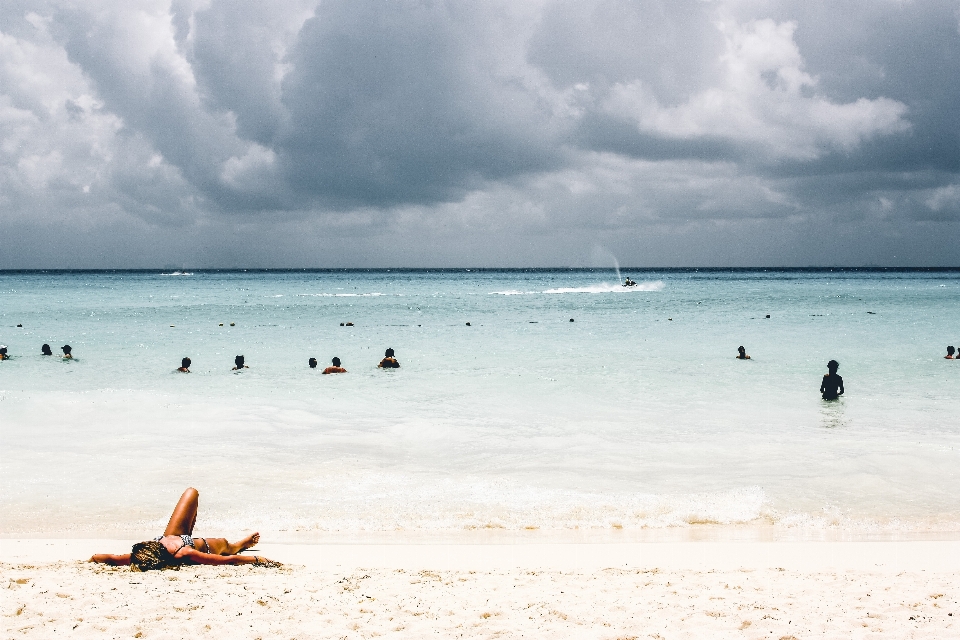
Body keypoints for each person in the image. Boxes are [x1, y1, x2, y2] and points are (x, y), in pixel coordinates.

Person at [89, 488, 280, 570]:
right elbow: (228, 561)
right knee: (227, 547)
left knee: (191, 492)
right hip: (207, 546)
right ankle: (239, 544)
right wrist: (258, 559)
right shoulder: (184, 555)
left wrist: (93, 558)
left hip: (174, 535)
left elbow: (110, 558)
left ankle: (238, 544)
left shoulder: (144, 553)